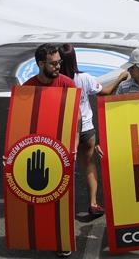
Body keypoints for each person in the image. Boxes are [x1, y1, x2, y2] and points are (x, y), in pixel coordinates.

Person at [56, 44, 104, 219]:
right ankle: (93, 203)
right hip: (86, 128)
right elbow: (104, 91)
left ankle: (60, 207)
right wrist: (121, 77)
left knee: (62, 167)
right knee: (89, 166)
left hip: (65, 130)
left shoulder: (57, 81)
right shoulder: (84, 78)